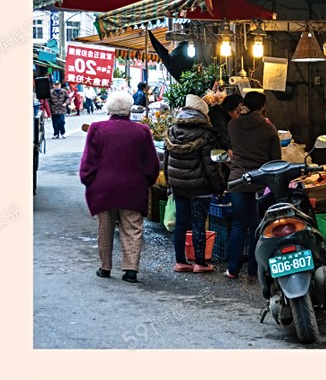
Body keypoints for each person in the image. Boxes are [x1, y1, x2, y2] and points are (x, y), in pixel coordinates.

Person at [79, 91, 160, 283]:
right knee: (132, 228)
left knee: (105, 228)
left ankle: (105, 267)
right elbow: (151, 164)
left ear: (109, 108)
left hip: (103, 188)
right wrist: (146, 181)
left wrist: (89, 181)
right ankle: (131, 270)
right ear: (129, 109)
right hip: (133, 188)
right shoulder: (142, 131)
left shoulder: (97, 128)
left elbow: (88, 161)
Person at [164, 94, 226, 274]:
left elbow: (166, 161)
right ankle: (200, 263)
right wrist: (219, 186)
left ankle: (180, 262)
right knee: (198, 223)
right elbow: (211, 166)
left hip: (179, 186)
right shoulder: (206, 134)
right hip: (200, 186)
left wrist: (170, 184)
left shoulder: (172, 130)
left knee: (181, 223)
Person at [225, 91, 281, 279]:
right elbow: (276, 161)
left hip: (238, 180)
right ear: (263, 106)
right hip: (260, 181)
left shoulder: (233, 124)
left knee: (239, 225)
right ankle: (254, 270)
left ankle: (233, 269)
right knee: (257, 225)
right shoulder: (269, 128)